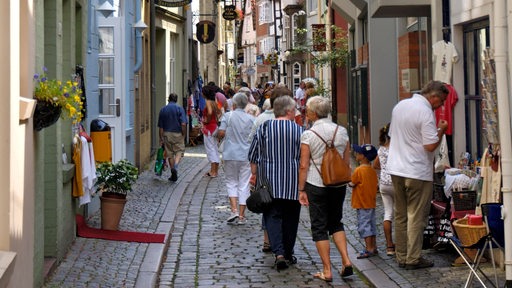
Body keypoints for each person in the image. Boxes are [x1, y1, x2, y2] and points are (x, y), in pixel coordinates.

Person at [387, 80, 449, 270]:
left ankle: (402, 255)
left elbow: (392, 135)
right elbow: (430, 145)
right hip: (417, 171)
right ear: (434, 97)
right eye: (442, 101)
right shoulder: (425, 112)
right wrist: (441, 130)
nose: (442, 105)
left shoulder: (400, 106)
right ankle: (413, 258)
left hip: (396, 168)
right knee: (416, 215)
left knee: (400, 215)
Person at [297, 96, 354, 282]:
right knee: (336, 221)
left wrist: (301, 189)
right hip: (338, 183)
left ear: (313, 113)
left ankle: (327, 270)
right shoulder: (342, 131)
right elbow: (346, 160)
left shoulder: (308, 135)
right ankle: (346, 261)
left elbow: (304, 165)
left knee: (319, 226)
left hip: (316, 183)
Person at [248, 95, 304, 271]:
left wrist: (254, 174)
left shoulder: (264, 128)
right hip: (292, 182)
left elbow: (253, 154)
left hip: (268, 183)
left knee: (272, 216)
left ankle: (279, 253)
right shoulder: (299, 130)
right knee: (291, 218)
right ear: (288, 111)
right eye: (294, 110)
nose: (295, 112)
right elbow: (304, 158)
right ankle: (287, 253)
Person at [217, 93, 255, 225]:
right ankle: (242, 216)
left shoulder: (228, 116)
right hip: (245, 155)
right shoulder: (251, 119)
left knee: (231, 182)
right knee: (244, 184)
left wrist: (226, 134)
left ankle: (233, 210)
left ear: (233, 104)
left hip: (230, 154)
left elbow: (221, 132)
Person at [350, 144, 379, 259]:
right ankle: (374, 246)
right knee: (371, 225)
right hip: (370, 203)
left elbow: (352, 183)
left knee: (364, 226)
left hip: (361, 203)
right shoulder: (372, 170)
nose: (356, 154)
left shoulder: (358, 170)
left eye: (359, 153)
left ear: (363, 156)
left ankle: (369, 249)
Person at [372, 123, 395, 256]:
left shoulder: (381, 149)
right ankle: (401, 244)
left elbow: (375, 165)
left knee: (388, 214)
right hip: (396, 183)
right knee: (399, 215)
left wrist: (385, 170)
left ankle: (389, 246)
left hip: (384, 184)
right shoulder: (398, 149)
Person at [157, 93, 188, 182]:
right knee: (179, 151)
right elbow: (183, 124)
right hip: (178, 134)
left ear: (168, 100)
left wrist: (161, 138)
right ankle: (176, 166)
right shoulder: (179, 109)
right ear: (176, 100)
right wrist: (184, 134)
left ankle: (172, 173)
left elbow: (161, 127)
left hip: (167, 134)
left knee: (170, 154)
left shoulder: (163, 110)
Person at [201, 85, 222, 178]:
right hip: (214, 127)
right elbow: (219, 112)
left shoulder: (208, 102)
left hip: (209, 128)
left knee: (211, 150)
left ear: (205, 93)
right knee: (214, 149)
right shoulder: (214, 102)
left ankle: (213, 172)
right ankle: (214, 171)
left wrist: (207, 120)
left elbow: (209, 112)